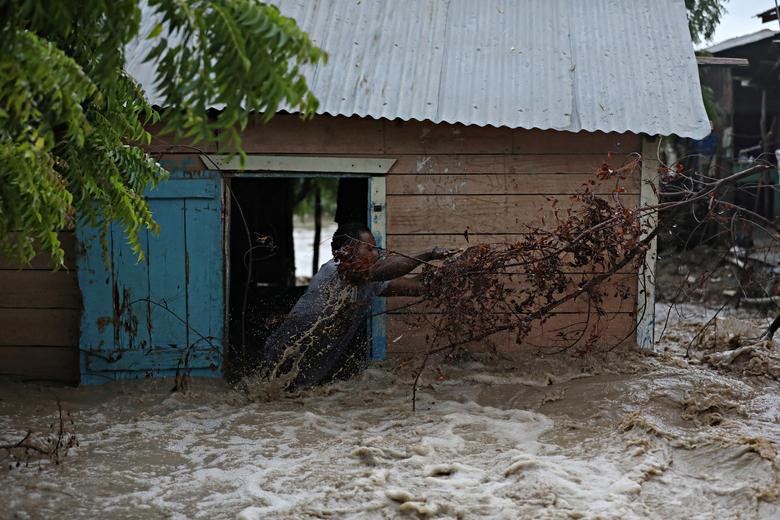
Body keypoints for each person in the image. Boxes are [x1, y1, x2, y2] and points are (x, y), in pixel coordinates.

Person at [259, 222, 453, 390]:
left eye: (376, 249)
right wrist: (429, 253)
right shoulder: (335, 270)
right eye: (368, 248)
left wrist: (451, 275)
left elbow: (416, 287)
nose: (376, 253)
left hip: (308, 372)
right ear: (345, 251)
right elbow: (379, 271)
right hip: (281, 357)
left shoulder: (370, 280)